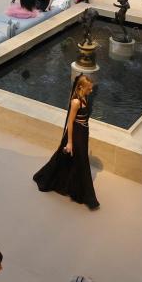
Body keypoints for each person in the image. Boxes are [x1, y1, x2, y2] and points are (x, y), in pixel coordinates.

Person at [33, 73, 100, 210]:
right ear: (81, 87)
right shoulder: (76, 102)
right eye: (89, 88)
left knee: (72, 159)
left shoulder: (85, 97)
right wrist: (69, 142)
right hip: (75, 134)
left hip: (83, 132)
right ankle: (88, 197)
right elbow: (70, 122)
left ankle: (70, 186)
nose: (91, 91)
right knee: (82, 161)